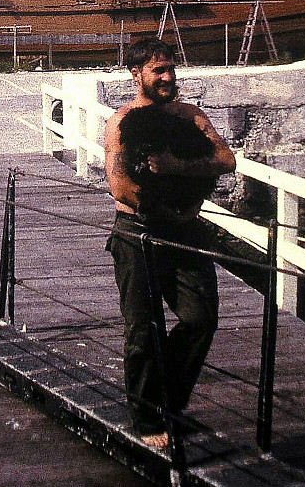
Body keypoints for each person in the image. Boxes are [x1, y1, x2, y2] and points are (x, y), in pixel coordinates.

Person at [103, 37, 235, 449]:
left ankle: (168, 404)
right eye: (157, 71)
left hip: (186, 232)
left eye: (170, 69)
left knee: (200, 320)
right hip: (138, 232)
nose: (166, 77)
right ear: (136, 74)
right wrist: (163, 208)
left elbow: (226, 160)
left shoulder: (191, 115)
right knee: (143, 329)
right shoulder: (122, 120)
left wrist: (177, 167)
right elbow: (120, 185)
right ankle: (147, 421)